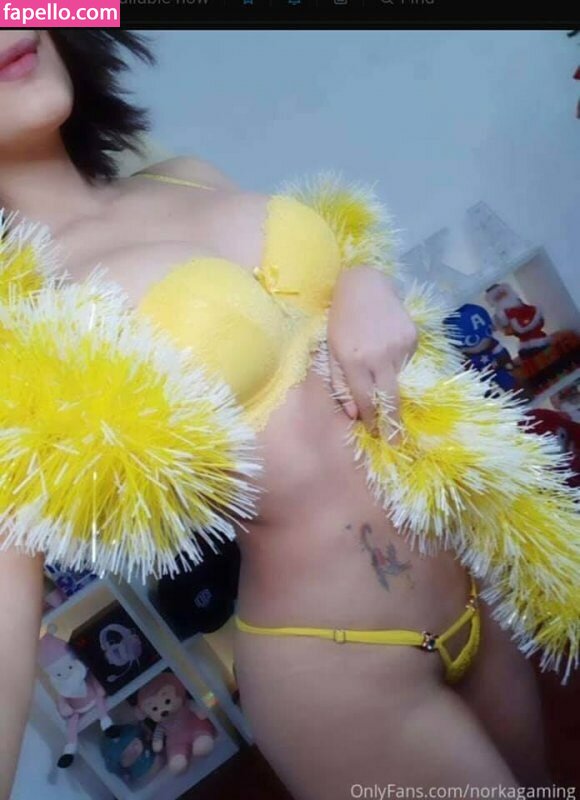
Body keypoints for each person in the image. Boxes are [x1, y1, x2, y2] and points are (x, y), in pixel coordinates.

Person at [0, 30, 558, 800]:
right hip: (336, 664)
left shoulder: (185, 176)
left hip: (464, 572)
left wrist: (363, 282)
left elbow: (319, 300)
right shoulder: (21, 329)